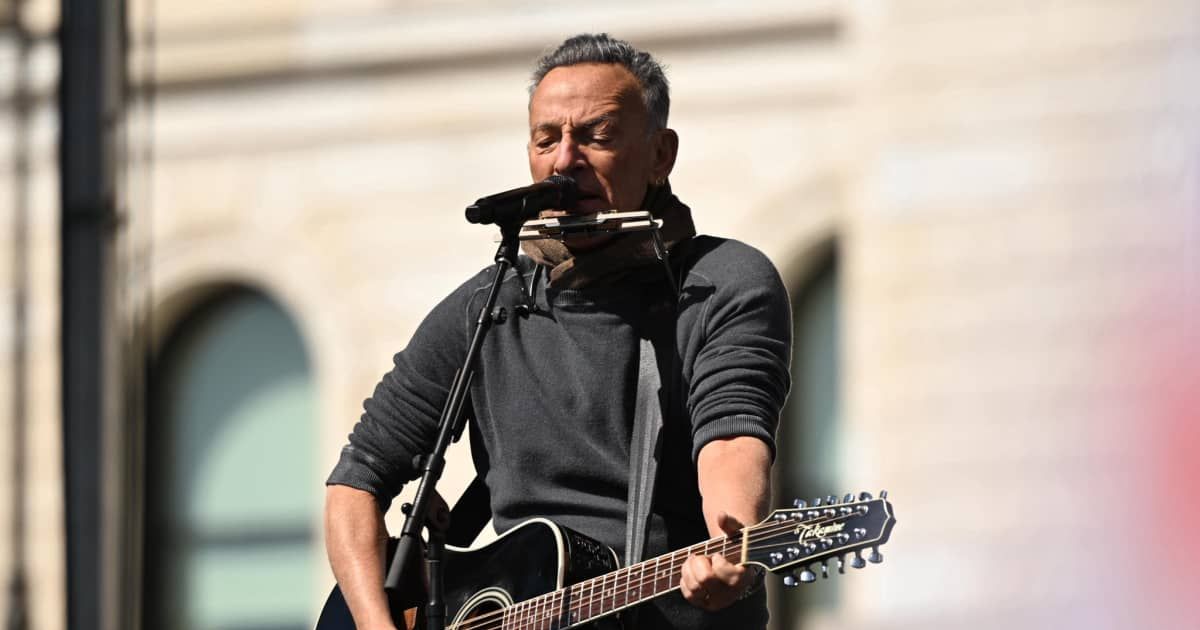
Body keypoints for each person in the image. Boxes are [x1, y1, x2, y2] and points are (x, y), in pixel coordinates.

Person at [324, 33, 792, 630]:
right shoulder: (488, 302)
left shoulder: (719, 282)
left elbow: (730, 439)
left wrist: (735, 541)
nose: (564, 161)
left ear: (659, 156)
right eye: (547, 139)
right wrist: (374, 623)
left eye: (595, 136)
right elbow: (356, 480)